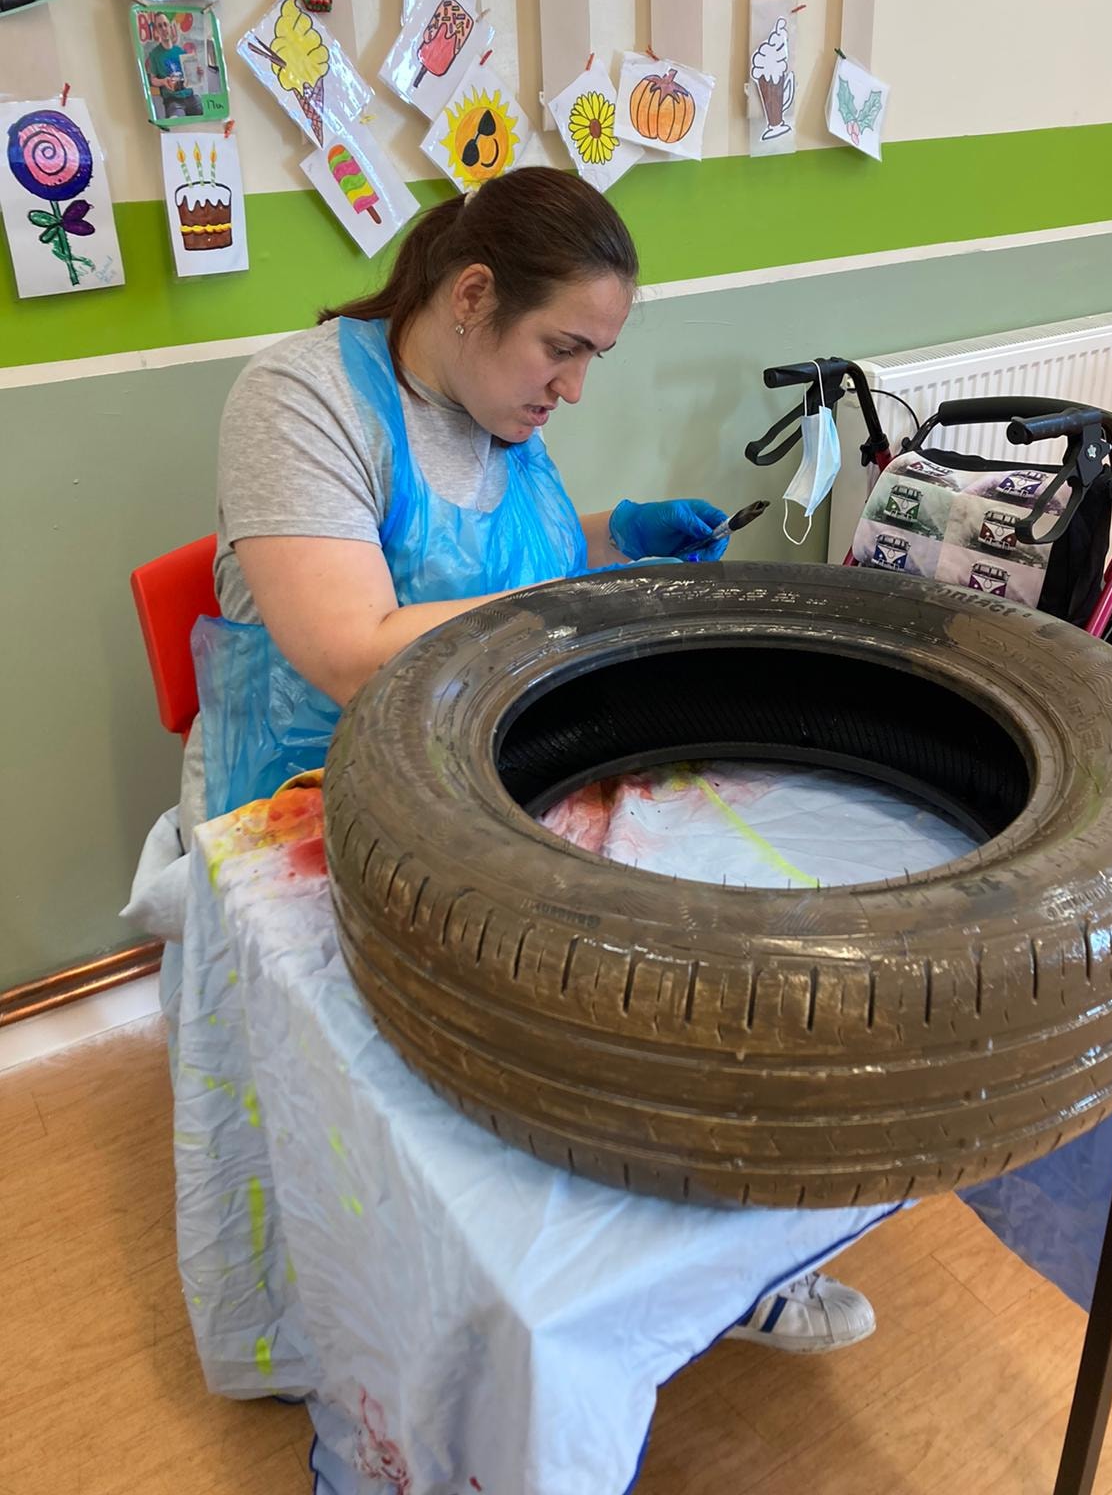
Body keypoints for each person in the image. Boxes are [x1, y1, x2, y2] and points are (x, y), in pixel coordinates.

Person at [182, 168, 874, 1395]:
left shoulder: (498, 403)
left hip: (490, 751)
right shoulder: (298, 400)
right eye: (563, 348)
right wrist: (585, 603)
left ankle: (695, 1257)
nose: (574, 387)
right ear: (471, 295)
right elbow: (351, 647)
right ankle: (455, 1320)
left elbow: (509, 562)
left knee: (703, 946)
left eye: (594, 357)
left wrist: (615, 536)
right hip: (309, 787)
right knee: (489, 1043)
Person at [144, 10, 203, 118]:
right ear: (157, 30)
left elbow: (190, 77)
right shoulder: (154, 55)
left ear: (170, 27)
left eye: (165, 24)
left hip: (190, 97)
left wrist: (198, 73)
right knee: (176, 121)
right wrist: (163, 81)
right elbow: (153, 79)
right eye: (160, 26)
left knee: (206, 119)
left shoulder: (181, 51)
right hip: (173, 101)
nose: (163, 29)